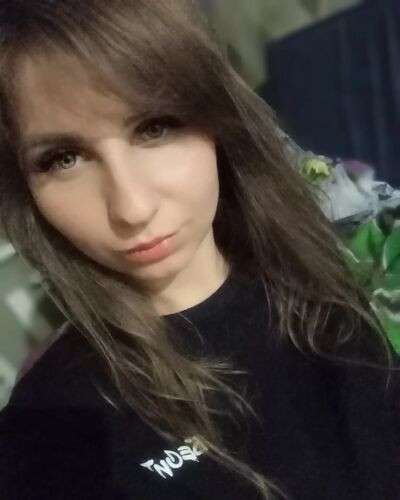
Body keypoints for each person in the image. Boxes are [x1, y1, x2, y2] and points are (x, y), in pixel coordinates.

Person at [0, 1, 399, 499]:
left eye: (155, 127)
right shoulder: (52, 423)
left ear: (217, 122)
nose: (132, 208)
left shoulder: (343, 271)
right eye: (64, 159)